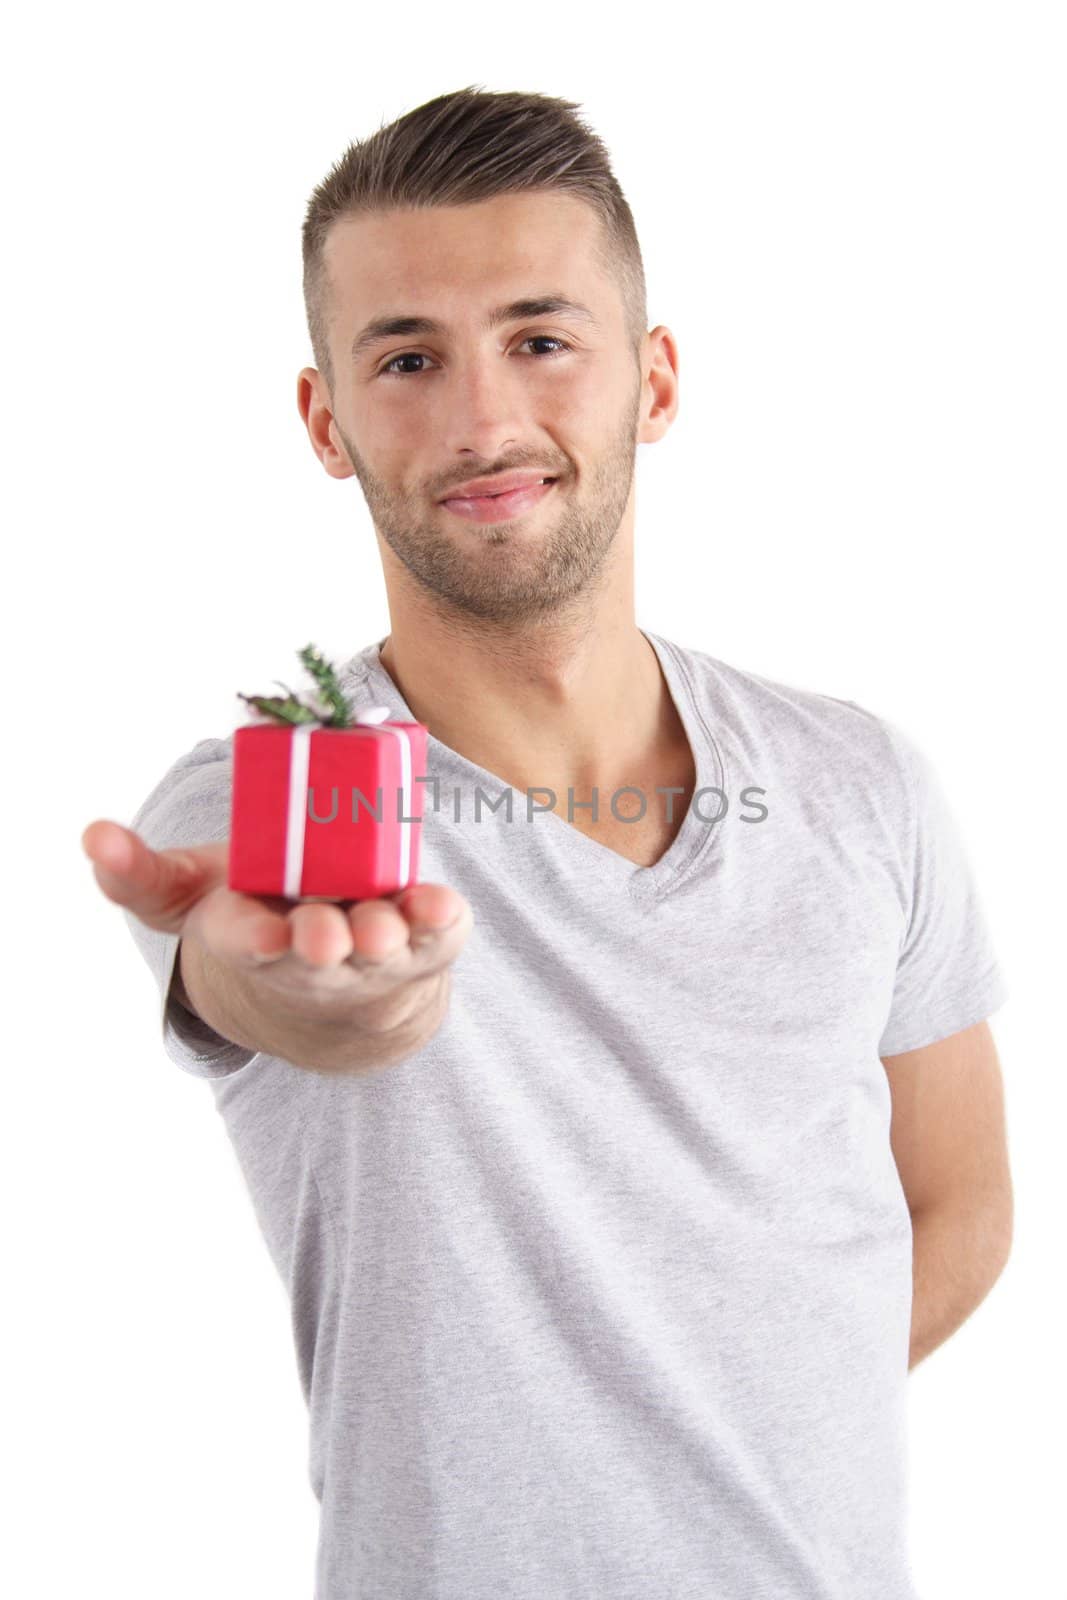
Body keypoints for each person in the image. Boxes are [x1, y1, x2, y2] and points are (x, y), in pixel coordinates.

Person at [81, 86, 1013, 1600]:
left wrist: (736, 1423)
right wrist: (319, 990)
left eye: (540, 338)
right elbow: (271, 966)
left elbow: (960, 1199)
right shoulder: (275, 791)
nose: (482, 421)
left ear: (652, 380)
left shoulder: (863, 787)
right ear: (326, 422)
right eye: (405, 358)